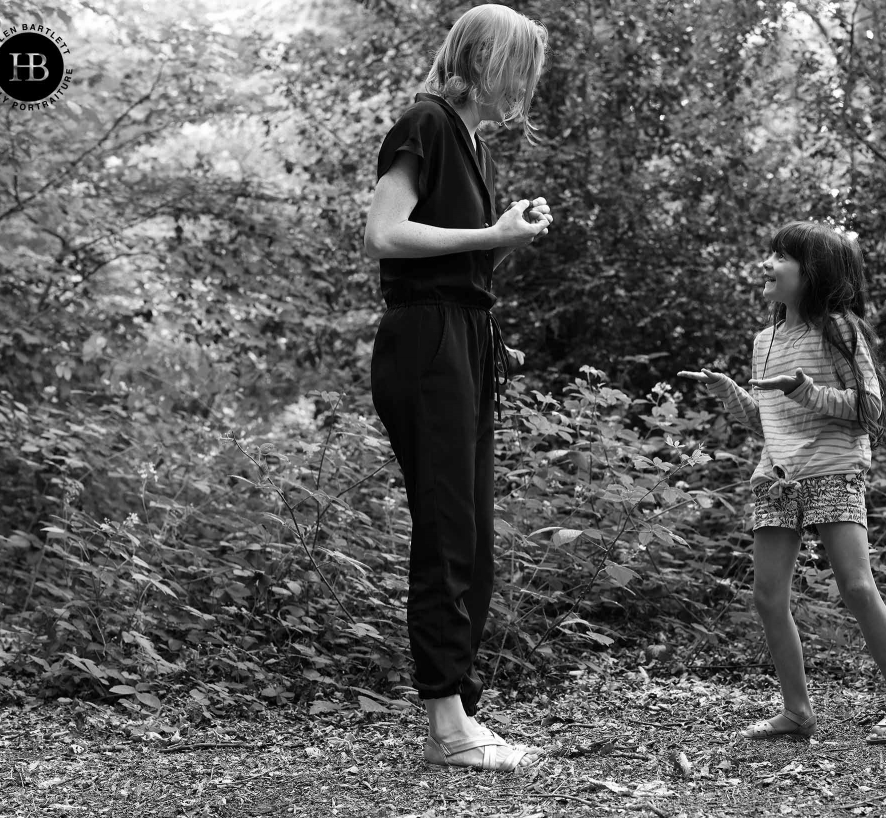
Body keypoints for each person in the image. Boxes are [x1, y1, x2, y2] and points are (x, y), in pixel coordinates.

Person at [362, 4, 552, 771]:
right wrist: (490, 235)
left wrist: (505, 234)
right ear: (480, 56)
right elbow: (385, 232)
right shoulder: (429, 120)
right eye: (517, 67)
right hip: (426, 339)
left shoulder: (470, 142)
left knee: (472, 533)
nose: (523, 85)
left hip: (466, 336)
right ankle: (447, 723)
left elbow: (454, 258)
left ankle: (461, 710)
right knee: (447, 530)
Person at [679, 221, 886, 745]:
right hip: (776, 477)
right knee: (768, 597)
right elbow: (768, 420)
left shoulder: (842, 331)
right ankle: (797, 712)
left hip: (833, 468)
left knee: (857, 587)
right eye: (770, 252)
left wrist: (806, 390)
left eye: (781, 256)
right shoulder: (764, 341)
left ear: (812, 273)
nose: (768, 263)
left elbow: (869, 412)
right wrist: (729, 393)